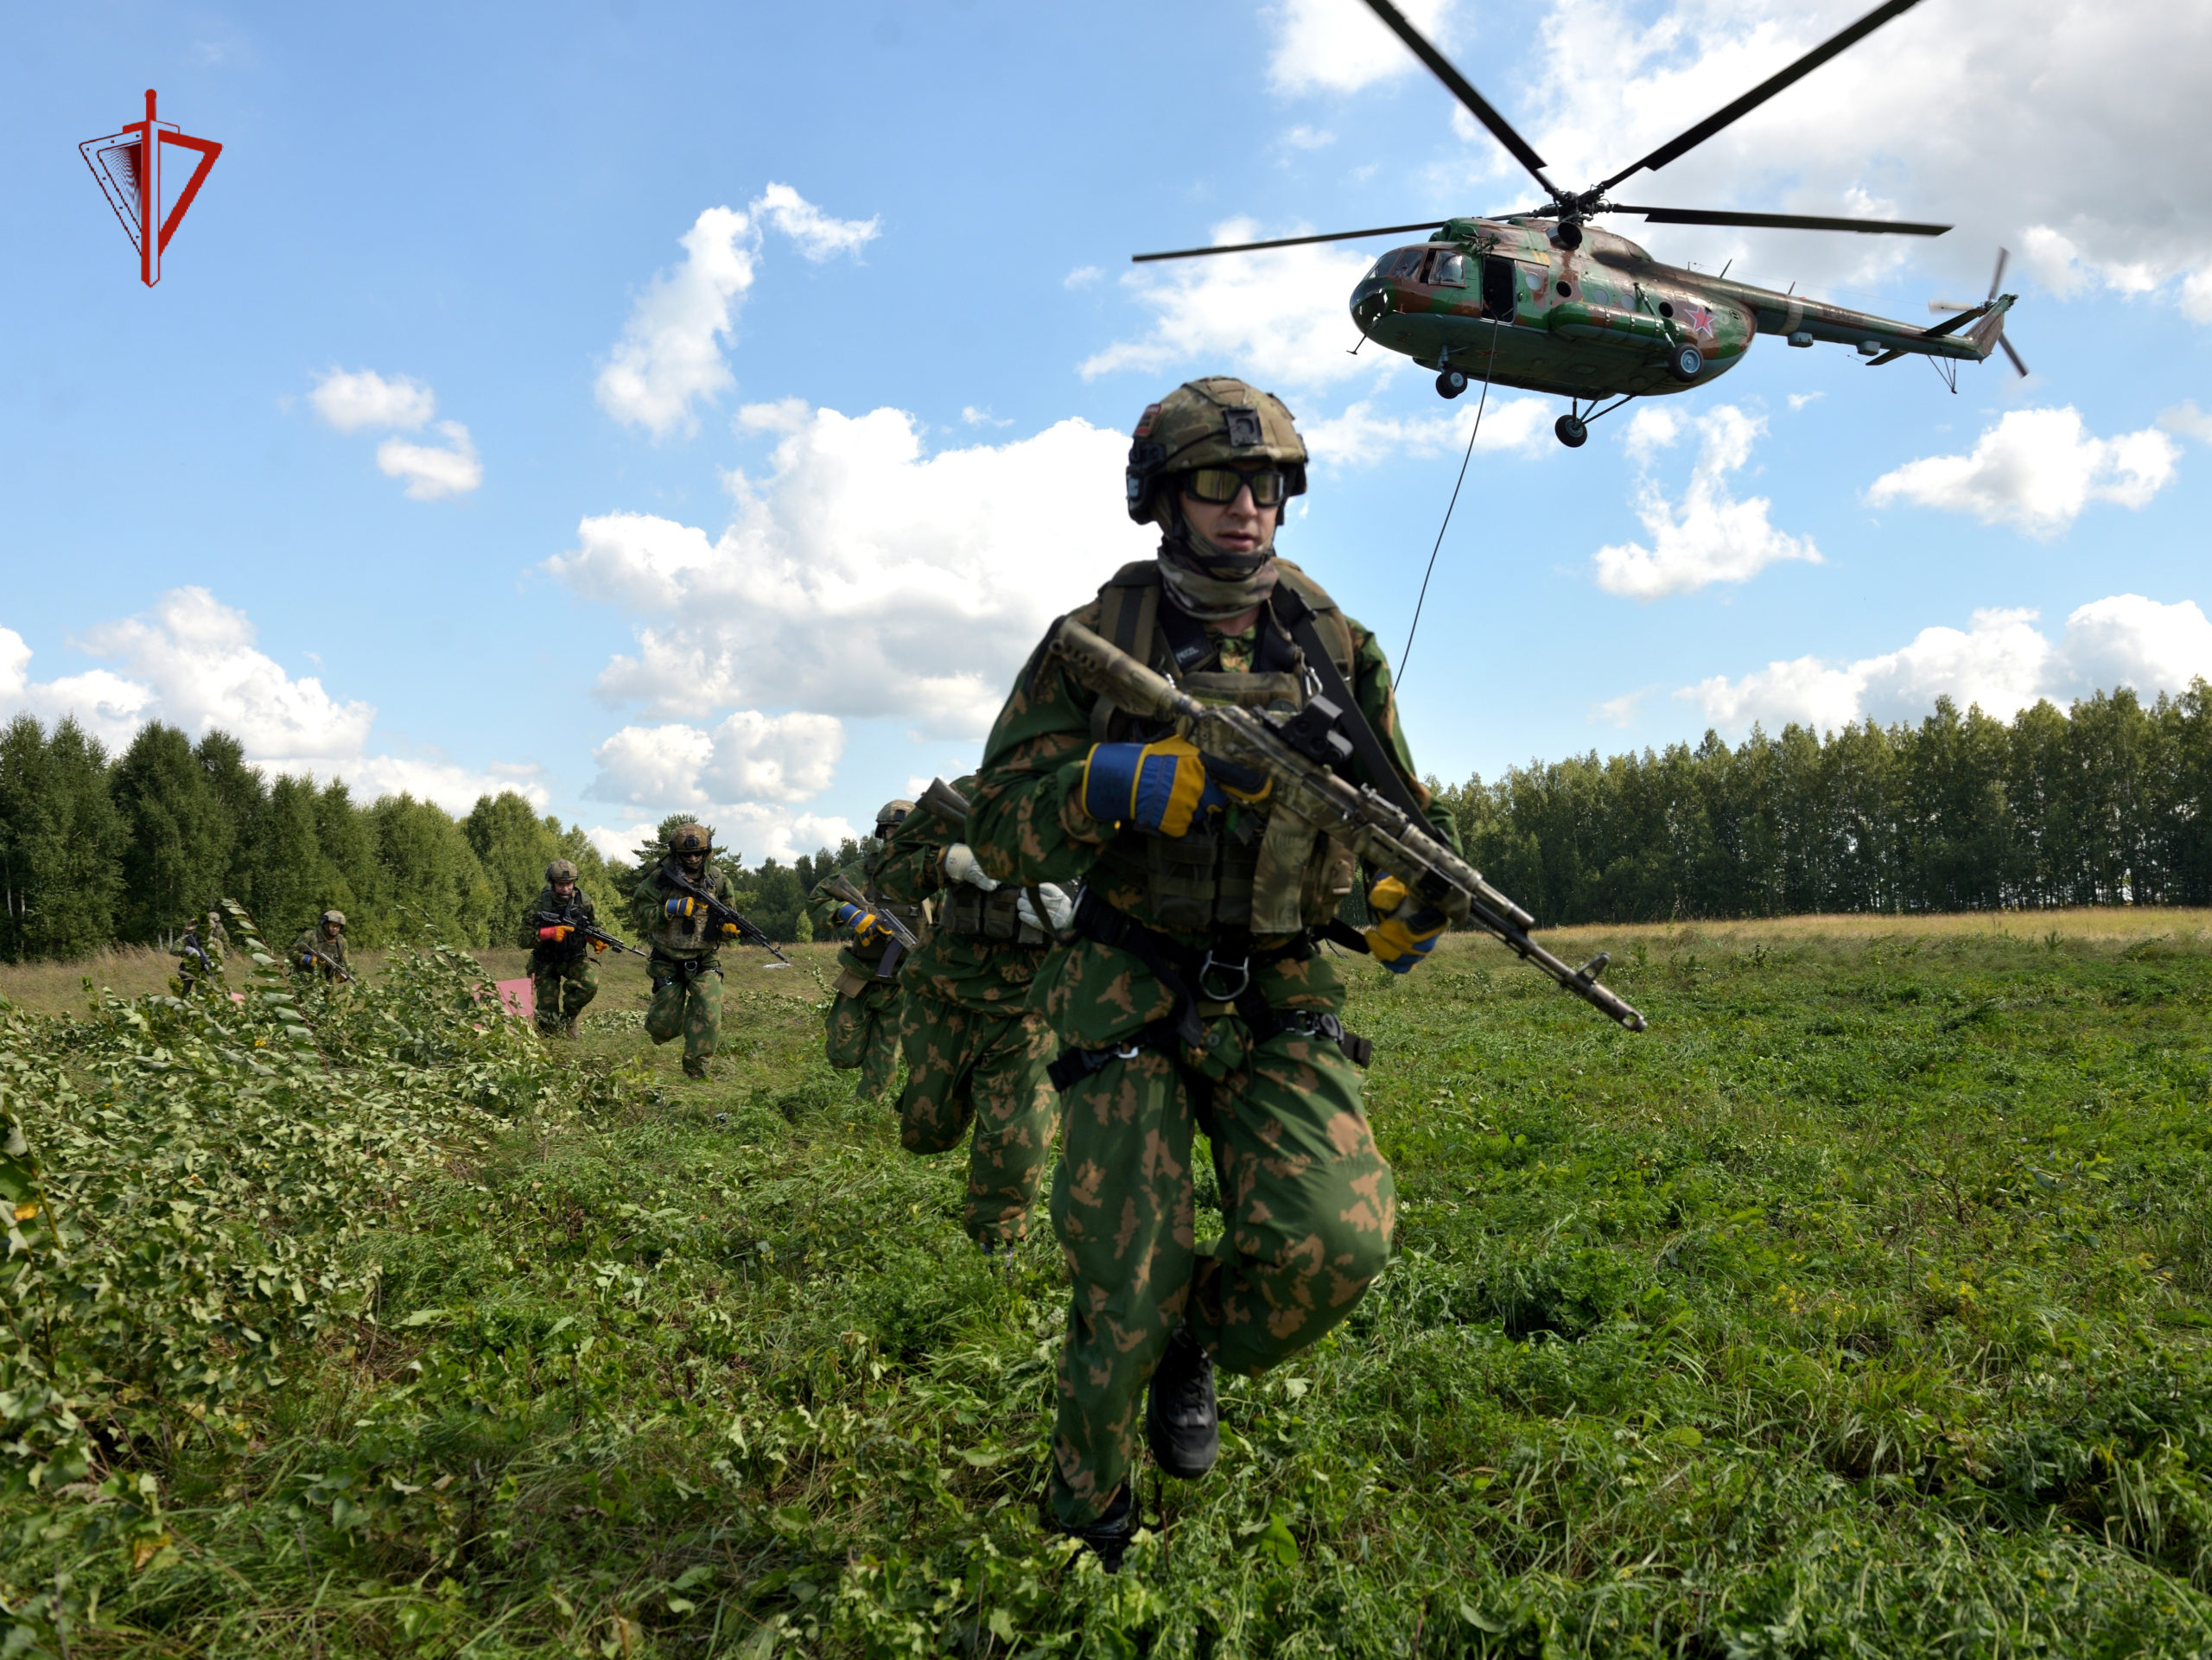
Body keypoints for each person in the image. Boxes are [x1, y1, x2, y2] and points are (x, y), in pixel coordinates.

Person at [969, 377, 1463, 1568]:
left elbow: (1400, 819)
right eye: (1215, 482)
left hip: (1283, 984)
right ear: (1163, 497)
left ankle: (1193, 1345)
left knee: (1336, 1245)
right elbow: (991, 830)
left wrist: (1406, 904)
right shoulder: (1096, 642)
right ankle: (1090, 1532)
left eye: (1264, 483)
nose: (1244, 505)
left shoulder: (1336, 646)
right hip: (1128, 982)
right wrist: (1097, 788)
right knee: (1121, 1290)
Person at [871, 778, 1072, 1262]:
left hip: (1033, 1003)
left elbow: (1151, 895)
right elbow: (888, 874)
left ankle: (996, 1248)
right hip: (947, 993)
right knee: (927, 1132)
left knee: (1016, 1137)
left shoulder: (1109, 807)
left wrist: (1081, 914)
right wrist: (950, 862)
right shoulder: (974, 792)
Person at [804, 801, 919, 1101]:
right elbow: (817, 899)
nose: (899, 838)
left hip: (905, 982)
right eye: (893, 831)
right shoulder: (863, 872)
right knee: (842, 1052)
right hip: (861, 976)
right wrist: (849, 914)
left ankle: (866, 1108)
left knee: (885, 1057)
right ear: (883, 834)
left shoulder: (928, 877)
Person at [631, 824, 744, 1080]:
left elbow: (730, 915)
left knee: (709, 1014)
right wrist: (670, 908)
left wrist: (728, 930)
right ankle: (663, 1025)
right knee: (664, 1029)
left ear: (708, 852)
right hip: (667, 959)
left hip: (705, 958)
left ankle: (696, 1071)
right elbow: (641, 915)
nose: (693, 859)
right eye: (686, 854)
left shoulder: (718, 880)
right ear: (675, 853)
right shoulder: (659, 879)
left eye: (699, 853)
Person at [518, 857, 601, 1037]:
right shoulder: (539, 905)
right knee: (547, 1018)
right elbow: (522, 939)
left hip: (574, 958)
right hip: (545, 961)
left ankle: (569, 1019)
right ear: (552, 882)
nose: (565, 888)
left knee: (589, 984)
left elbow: (596, 927)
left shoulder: (584, 902)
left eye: (569, 883)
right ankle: (549, 1042)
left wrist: (596, 940)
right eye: (561, 884)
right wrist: (548, 933)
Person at [290, 910, 350, 986]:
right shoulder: (310, 936)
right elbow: (291, 952)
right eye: (333, 925)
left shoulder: (342, 942)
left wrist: (341, 973)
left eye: (338, 926)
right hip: (305, 981)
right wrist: (306, 959)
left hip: (326, 984)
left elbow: (344, 963)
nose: (335, 929)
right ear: (325, 924)